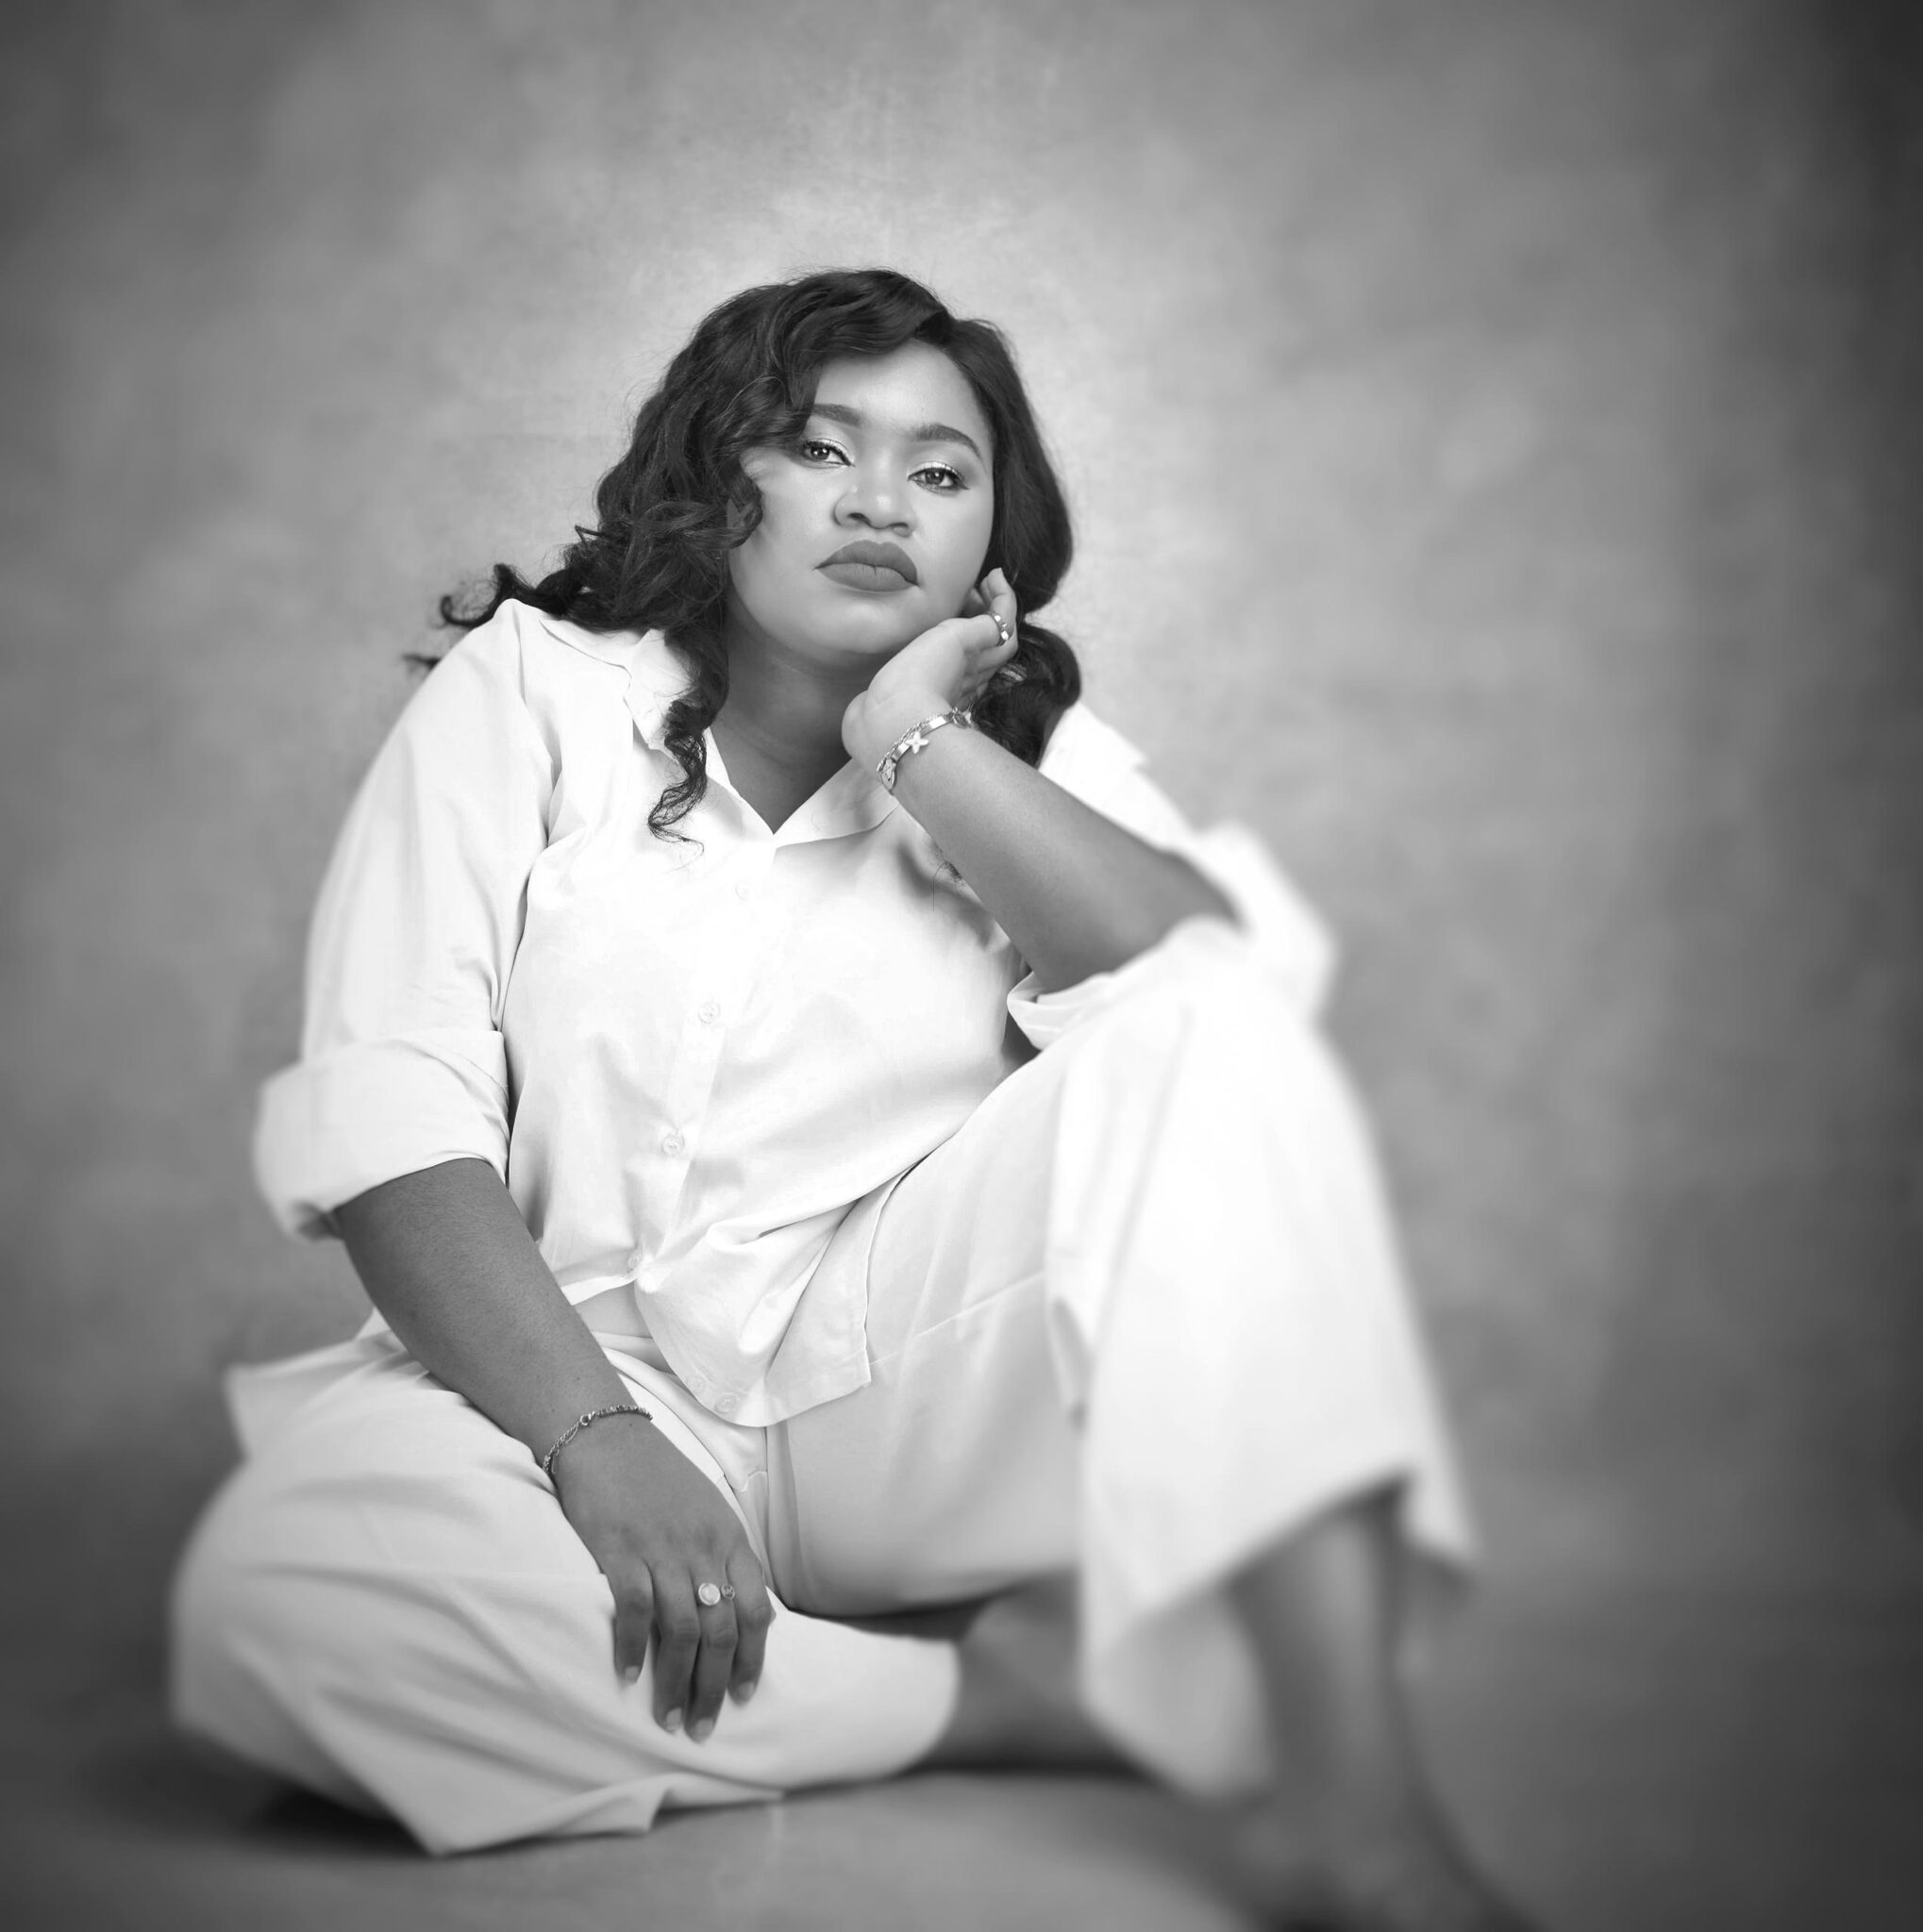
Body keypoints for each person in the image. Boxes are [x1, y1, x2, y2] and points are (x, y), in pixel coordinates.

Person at [170, 268, 1536, 1930]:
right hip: (560, 1377)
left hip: (893, 1403)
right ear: (717, 476)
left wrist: (915, 740)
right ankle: (988, 1700)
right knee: (285, 1605)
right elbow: (396, 1115)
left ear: (988, 549)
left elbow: (1222, 1002)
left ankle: (1358, 1815)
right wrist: (598, 1442)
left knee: (1206, 1022)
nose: (880, 501)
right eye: (821, 448)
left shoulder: (1016, 756)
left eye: (939, 472)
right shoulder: (538, 692)